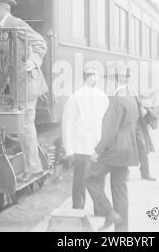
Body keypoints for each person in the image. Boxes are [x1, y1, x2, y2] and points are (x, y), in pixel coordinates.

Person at [0, 0, 48, 182]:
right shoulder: (5, 26)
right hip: (16, 87)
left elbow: (40, 43)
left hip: (26, 86)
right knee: (6, 118)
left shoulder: (15, 24)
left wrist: (34, 61)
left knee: (26, 127)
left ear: (3, 8)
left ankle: (33, 169)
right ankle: (26, 162)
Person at [85, 65, 139, 232]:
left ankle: (109, 213)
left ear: (116, 79)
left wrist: (97, 151)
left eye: (108, 80)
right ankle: (122, 232)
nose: (106, 83)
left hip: (114, 150)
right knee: (120, 189)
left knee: (90, 178)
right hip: (127, 150)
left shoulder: (116, 100)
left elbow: (109, 133)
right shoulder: (131, 97)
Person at [62, 66, 109, 211]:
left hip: (98, 146)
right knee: (80, 180)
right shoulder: (75, 97)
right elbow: (67, 124)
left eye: (94, 75)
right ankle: (78, 208)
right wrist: (69, 150)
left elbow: (107, 121)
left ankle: (100, 208)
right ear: (84, 77)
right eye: (89, 75)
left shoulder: (103, 97)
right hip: (82, 147)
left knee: (99, 179)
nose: (92, 78)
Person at [135, 95, 157, 181]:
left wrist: (144, 110)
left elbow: (147, 105)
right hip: (126, 124)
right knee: (126, 150)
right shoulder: (121, 91)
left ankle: (145, 173)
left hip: (138, 125)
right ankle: (123, 173)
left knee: (143, 149)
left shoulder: (135, 92)